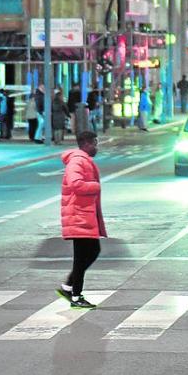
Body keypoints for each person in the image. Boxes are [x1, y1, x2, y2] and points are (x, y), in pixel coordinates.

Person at [57, 131, 105, 309]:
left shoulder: (82, 160)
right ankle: (75, 295)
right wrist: (95, 185)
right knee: (85, 255)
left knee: (89, 253)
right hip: (78, 216)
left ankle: (69, 287)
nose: (96, 147)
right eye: (94, 143)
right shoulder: (78, 161)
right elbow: (75, 183)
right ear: (85, 144)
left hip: (81, 215)